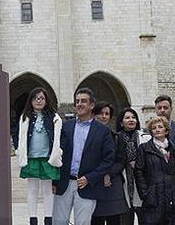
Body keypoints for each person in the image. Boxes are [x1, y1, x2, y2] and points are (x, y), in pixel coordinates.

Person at [52, 88, 115, 225]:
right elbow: (57, 153)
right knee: (58, 221)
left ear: (92, 105)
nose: (79, 104)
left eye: (84, 101)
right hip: (64, 183)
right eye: (77, 101)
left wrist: (90, 178)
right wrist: (54, 181)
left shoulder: (103, 131)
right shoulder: (65, 127)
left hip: (88, 185)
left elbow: (108, 159)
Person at [16, 88, 63, 225]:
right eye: (35, 98)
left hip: (48, 157)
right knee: (32, 190)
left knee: (47, 190)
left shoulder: (54, 117)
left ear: (46, 100)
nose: (39, 101)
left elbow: (59, 137)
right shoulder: (25, 117)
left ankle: (48, 218)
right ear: (30, 101)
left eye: (42, 98)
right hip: (31, 157)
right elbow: (20, 136)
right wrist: (20, 151)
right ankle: (33, 219)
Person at [134, 116, 175, 225]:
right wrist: (145, 194)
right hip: (154, 198)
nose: (157, 129)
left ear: (166, 130)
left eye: (160, 127)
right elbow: (139, 172)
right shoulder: (144, 149)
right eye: (154, 128)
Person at [91, 102, 128, 225]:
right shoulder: (87, 136)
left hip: (112, 183)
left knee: (114, 219)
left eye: (107, 114)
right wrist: (100, 174)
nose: (104, 116)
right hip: (94, 183)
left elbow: (121, 160)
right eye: (100, 113)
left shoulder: (117, 137)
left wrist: (109, 174)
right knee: (95, 219)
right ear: (93, 115)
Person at [114, 108, 150, 225]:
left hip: (142, 185)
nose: (131, 120)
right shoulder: (116, 138)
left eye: (133, 117)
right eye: (127, 117)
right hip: (123, 184)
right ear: (121, 122)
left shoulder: (145, 137)